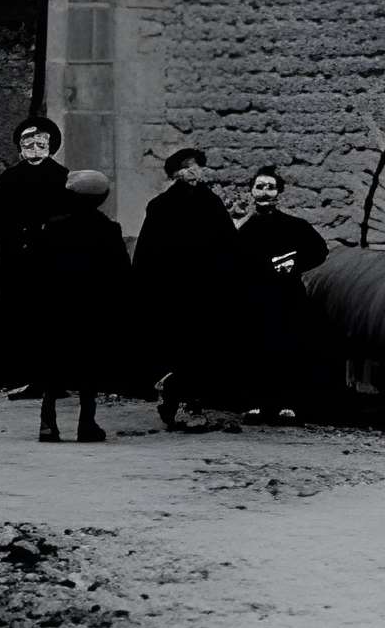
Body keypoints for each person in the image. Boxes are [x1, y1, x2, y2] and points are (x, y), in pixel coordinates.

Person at [131, 146, 248, 430]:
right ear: (175, 174)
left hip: (206, 291)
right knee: (176, 348)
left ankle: (189, 404)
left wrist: (229, 279)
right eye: (186, 167)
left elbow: (230, 246)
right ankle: (175, 404)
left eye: (197, 166)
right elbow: (147, 251)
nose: (193, 171)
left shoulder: (212, 205)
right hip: (172, 292)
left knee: (200, 349)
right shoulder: (160, 207)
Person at [13, 167, 131, 443]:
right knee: (89, 366)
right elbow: (120, 274)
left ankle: (48, 423)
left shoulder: (53, 228)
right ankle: (86, 423)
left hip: (56, 309)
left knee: (53, 364)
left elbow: (33, 270)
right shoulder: (109, 230)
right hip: (92, 310)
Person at [230, 167, 332, 423]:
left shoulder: (294, 226)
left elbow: (319, 250)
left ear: (279, 193)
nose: (265, 193)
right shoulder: (244, 229)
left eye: (270, 187)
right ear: (251, 192)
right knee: (254, 349)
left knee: (288, 348)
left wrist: (293, 264)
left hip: (286, 297)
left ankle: (288, 404)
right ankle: (255, 404)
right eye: (260, 187)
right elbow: (231, 259)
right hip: (253, 299)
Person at [0, 115, 71, 398]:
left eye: (41, 143)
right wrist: (12, 240)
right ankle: (15, 373)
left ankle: (50, 377)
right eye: (28, 143)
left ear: (50, 146)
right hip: (14, 261)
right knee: (14, 316)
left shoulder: (62, 177)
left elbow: (67, 215)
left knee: (48, 319)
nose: (34, 148)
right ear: (20, 148)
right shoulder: (9, 178)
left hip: (49, 261)